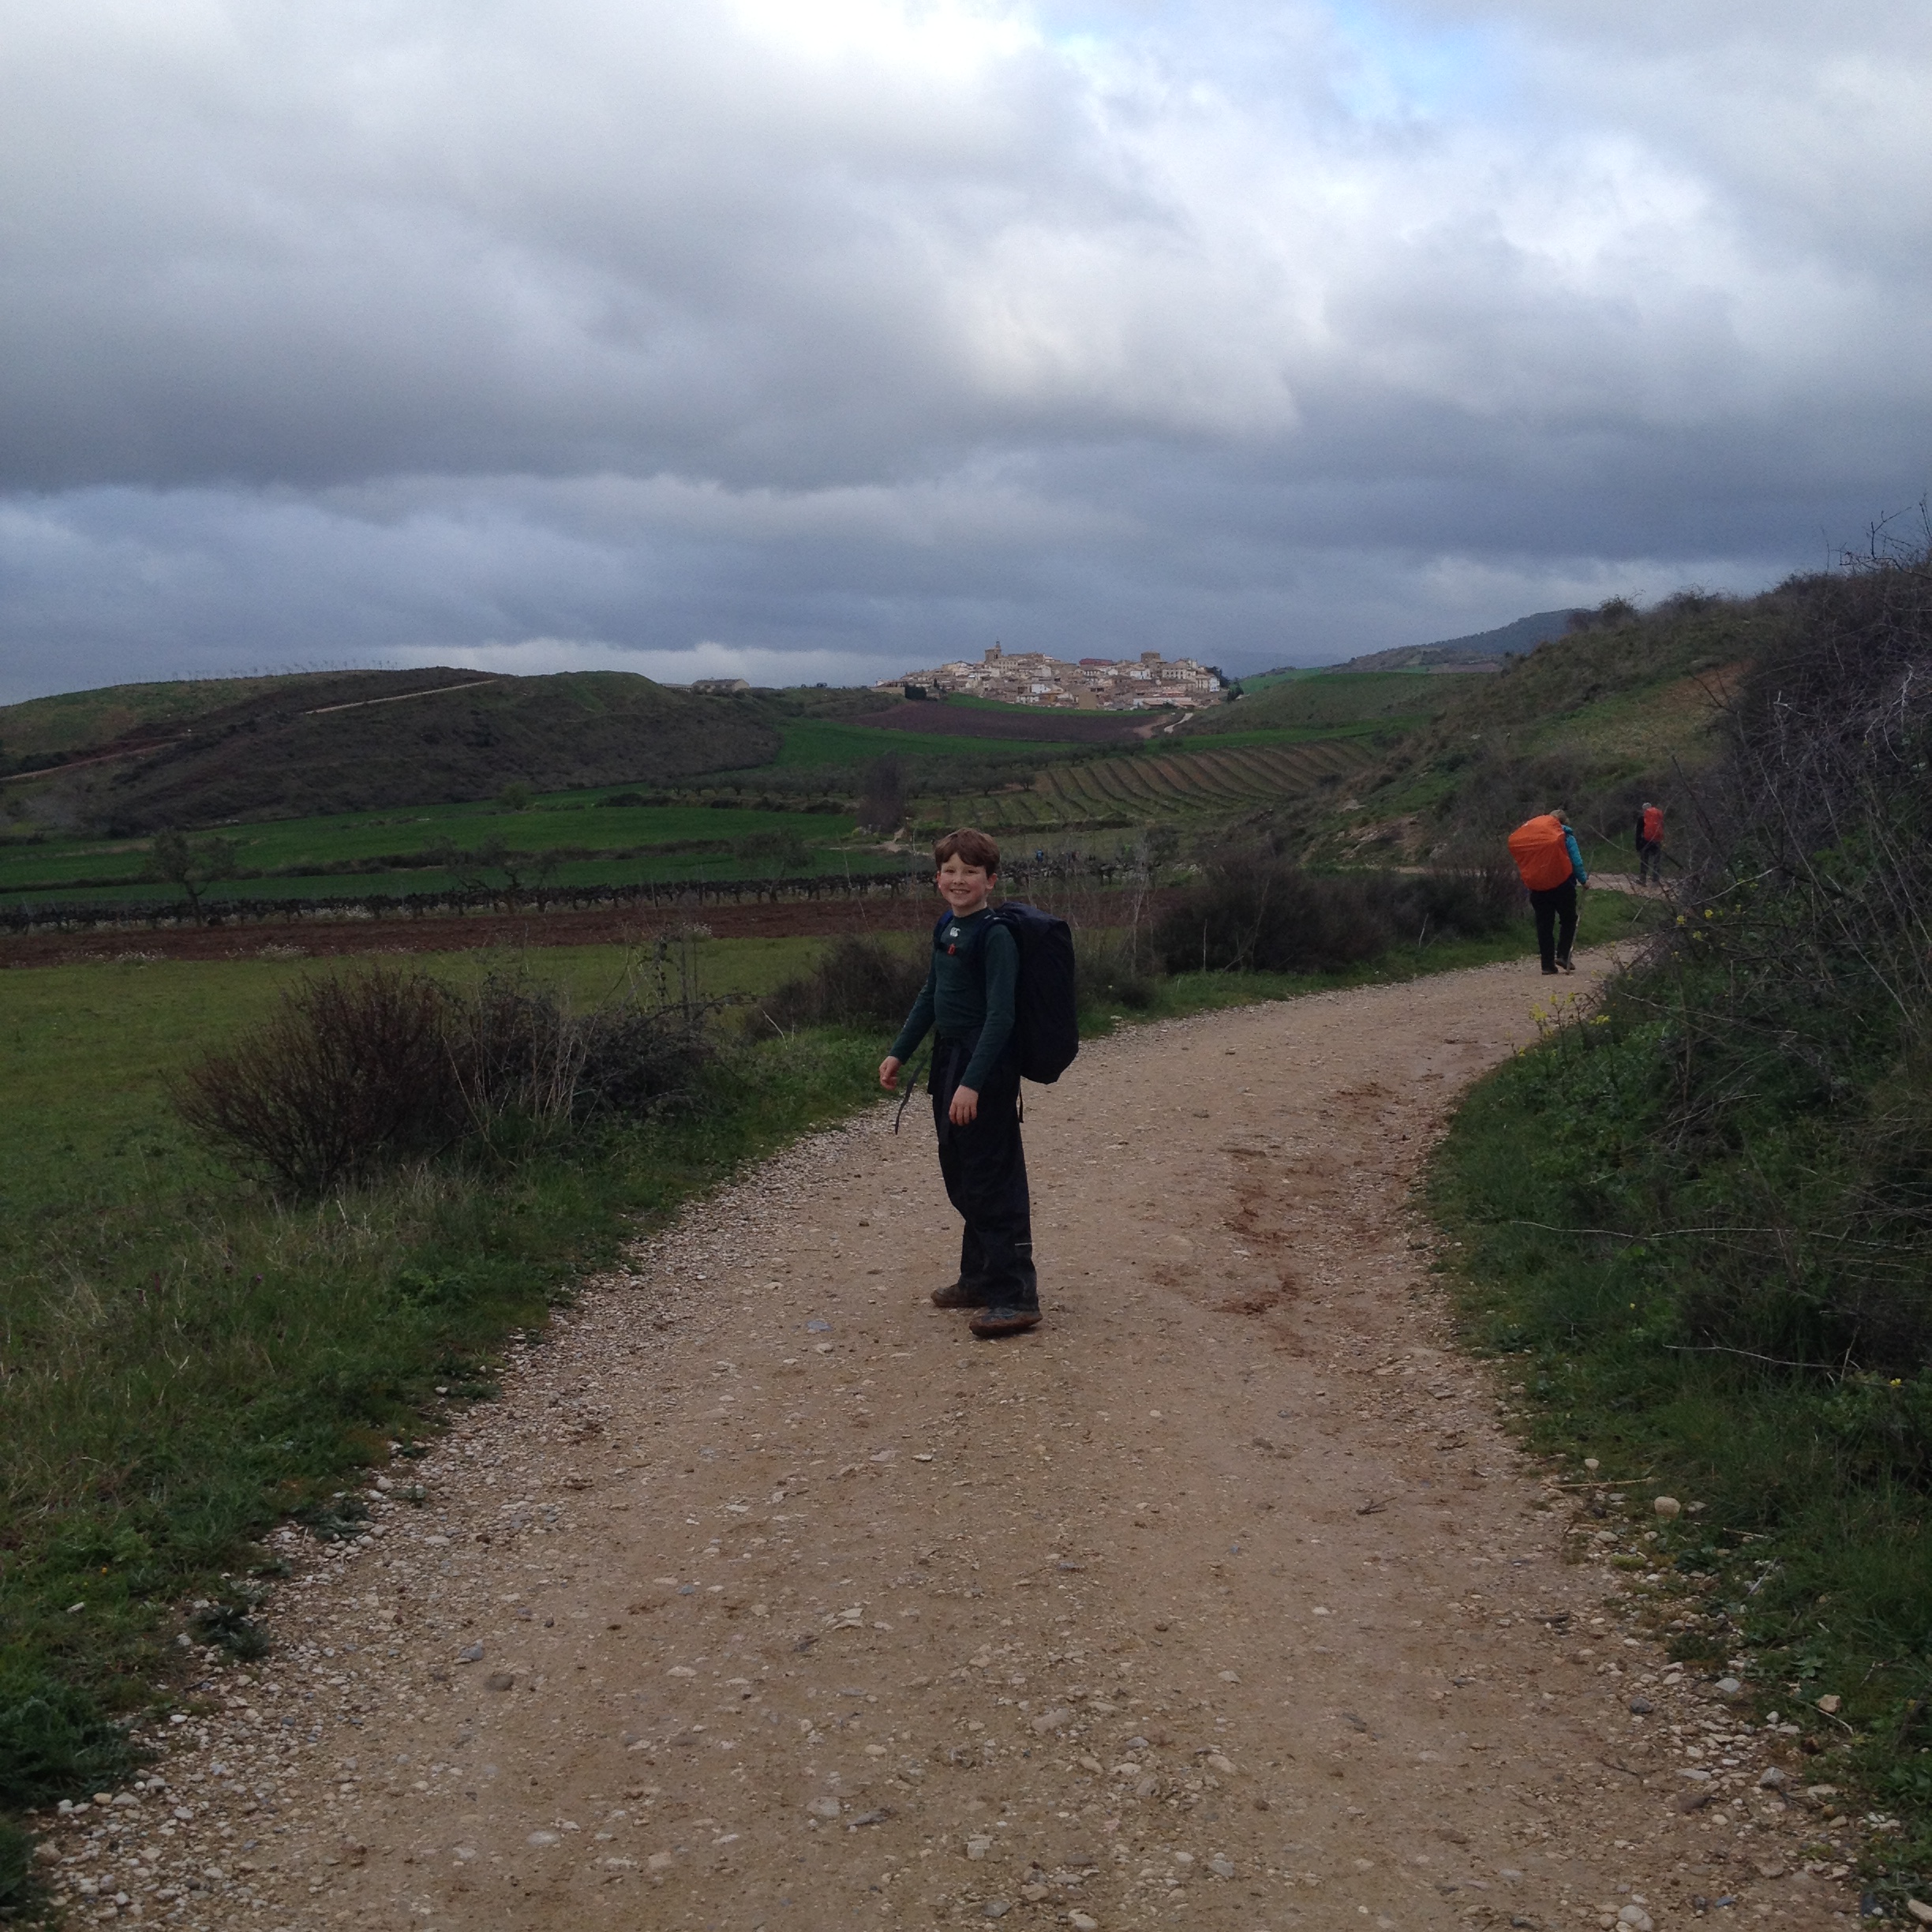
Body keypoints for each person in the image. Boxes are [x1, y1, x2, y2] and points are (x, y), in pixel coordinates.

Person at [879, 828, 1041, 1339]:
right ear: (937, 879)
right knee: (963, 1174)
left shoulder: (995, 937)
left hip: (982, 1069)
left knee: (991, 1180)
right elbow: (931, 993)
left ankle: (1016, 1296)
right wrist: (899, 1051)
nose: (958, 879)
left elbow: (1001, 1017)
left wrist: (973, 1084)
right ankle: (979, 1279)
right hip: (949, 1061)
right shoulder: (947, 925)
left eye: (970, 871)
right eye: (950, 870)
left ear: (990, 880)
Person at [1532, 809, 1588, 975]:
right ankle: (1563, 955)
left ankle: (1547, 965)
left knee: (1544, 924)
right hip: (1563, 885)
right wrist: (1583, 880)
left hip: (1539, 887)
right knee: (1569, 920)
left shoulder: (1536, 838)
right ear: (1565, 822)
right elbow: (1576, 862)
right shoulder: (1567, 837)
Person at [1634, 801, 1664, 886]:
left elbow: (1638, 833)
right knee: (1656, 861)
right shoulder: (1658, 817)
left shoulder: (1642, 819)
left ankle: (1643, 880)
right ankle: (1656, 880)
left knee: (1644, 861)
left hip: (1645, 842)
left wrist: (1638, 845)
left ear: (1643, 810)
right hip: (1656, 841)